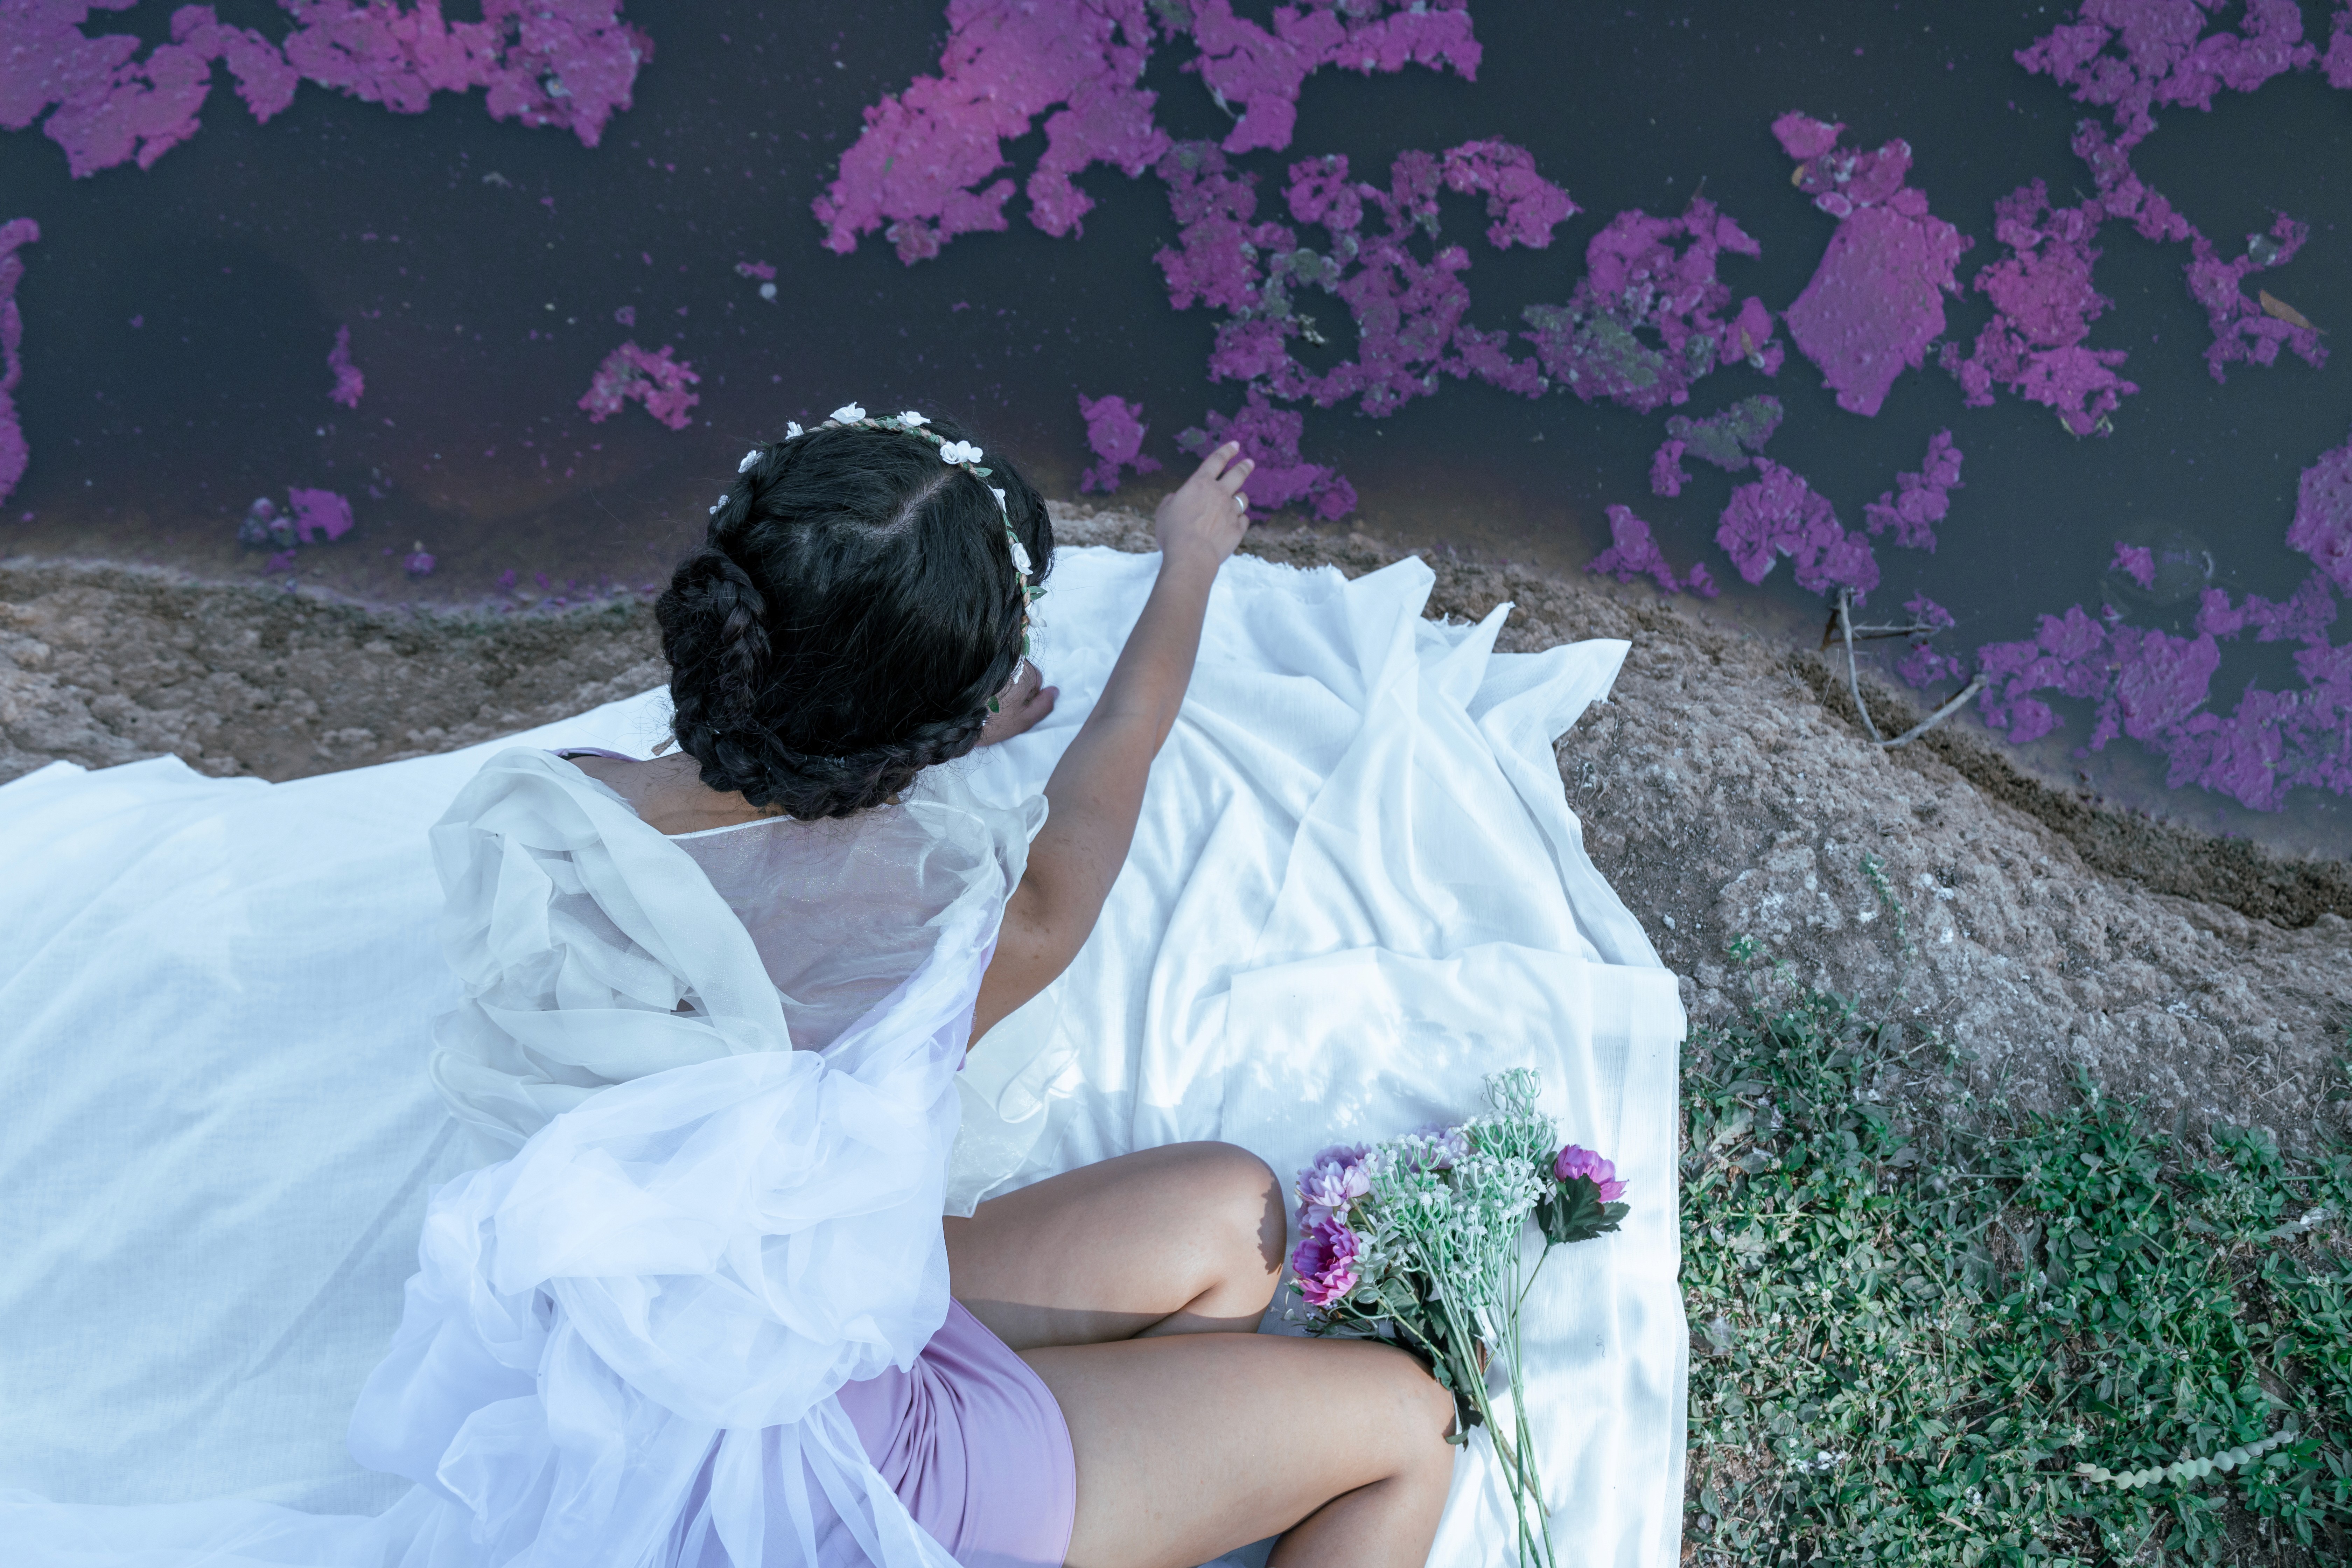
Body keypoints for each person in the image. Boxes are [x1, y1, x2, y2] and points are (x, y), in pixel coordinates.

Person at [536, 407, 1456, 1568]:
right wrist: (1190, 555)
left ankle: (1151, 1489)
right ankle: (1095, 1501)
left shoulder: (560, 806)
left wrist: (896, 740)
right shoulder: (974, 923)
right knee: (1413, 1426)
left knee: (1239, 1213)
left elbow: (753, 817)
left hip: (702, 1322)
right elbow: (1122, 734)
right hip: (852, 1473)